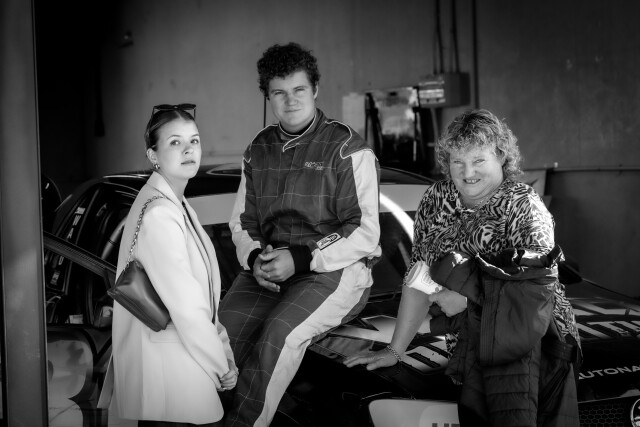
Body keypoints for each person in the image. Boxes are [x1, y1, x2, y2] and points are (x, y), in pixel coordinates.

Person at [344, 109, 581, 426]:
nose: (468, 172)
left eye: (478, 160)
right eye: (458, 161)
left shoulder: (523, 204)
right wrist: (395, 351)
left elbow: (537, 286)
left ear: (500, 155)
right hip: (471, 346)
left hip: (535, 347)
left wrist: (468, 300)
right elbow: (419, 275)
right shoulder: (437, 197)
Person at [218, 42, 381, 427]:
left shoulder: (347, 148)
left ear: (315, 89)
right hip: (268, 272)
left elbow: (364, 231)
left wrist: (302, 258)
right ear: (268, 96)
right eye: (279, 92)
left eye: (299, 90)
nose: (290, 101)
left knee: (279, 334)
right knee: (216, 339)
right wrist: (256, 259)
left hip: (334, 271)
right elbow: (243, 222)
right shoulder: (257, 150)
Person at [111, 103, 238, 426]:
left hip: (177, 371)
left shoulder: (175, 205)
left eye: (194, 140)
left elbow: (205, 302)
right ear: (153, 155)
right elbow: (187, 306)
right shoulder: (160, 214)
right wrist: (221, 365)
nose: (188, 149)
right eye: (175, 142)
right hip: (172, 380)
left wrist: (224, 354)